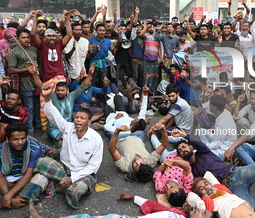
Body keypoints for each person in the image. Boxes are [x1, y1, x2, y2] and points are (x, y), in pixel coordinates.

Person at [33, 84, 103, 209]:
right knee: (41, 162)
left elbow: (94, 166)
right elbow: (53, 114)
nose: (78, 120)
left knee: (77, 189)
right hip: (64, 168)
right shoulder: (68, 127)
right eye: (76, 117)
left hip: (83, 172)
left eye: (82, 118)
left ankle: (57, 185)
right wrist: (47, 97)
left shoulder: (96, 139)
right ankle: (62, 185)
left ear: (89, 122)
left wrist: (73, 179)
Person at [28, 194, 220, 218]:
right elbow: (153, 205)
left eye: (204, 215)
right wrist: (133, 196)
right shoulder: (177, 213)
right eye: (204, 210)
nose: (201, 210)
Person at [0, 122, 48, 209]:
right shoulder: (1, 149)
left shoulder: (34, 148)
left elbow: (28, 175)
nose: (20, 142)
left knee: (42, 179)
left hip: (25, 180)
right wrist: (8, 196)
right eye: (15, 139)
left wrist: (7, 197)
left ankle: (11, 200)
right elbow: (0, 176)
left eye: (23, 138)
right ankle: (16, 200)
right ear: (7, 139)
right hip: (6, 182)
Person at [8, 28, 40, 134]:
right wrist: (27, 69)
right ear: (18, 38)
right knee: (29, 106)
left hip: (36, 80)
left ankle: (38, 124)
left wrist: (36, 68)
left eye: (28, 37)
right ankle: (30, 128)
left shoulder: (33, 50)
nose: (26, 40)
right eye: (23, 38)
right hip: (25, 82)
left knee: (37, 104)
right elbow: (11, 69)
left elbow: (38, 64)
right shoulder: (15, 52)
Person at [197, 94, 237, 161]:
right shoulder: (225, 112)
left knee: (200, 154)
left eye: (210, 105)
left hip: (222, 150)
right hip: (219, 141)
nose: (209, 106)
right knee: (201, 131)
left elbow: (217, 144)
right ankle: (206, 147)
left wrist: (202, 147)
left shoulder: (223, 123)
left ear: (214, 108)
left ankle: (206, 149)